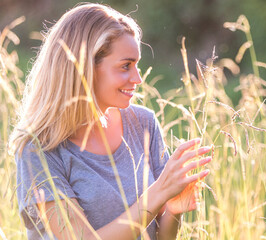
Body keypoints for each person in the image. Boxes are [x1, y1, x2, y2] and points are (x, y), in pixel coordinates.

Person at [8, 3, 212, 239]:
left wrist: (174, 209)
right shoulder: (38, 149)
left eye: (136, 65)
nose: (137, 78)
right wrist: (159, 192)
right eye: (125, 66)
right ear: (85, 68)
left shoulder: (143, 123)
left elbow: (162, 237)